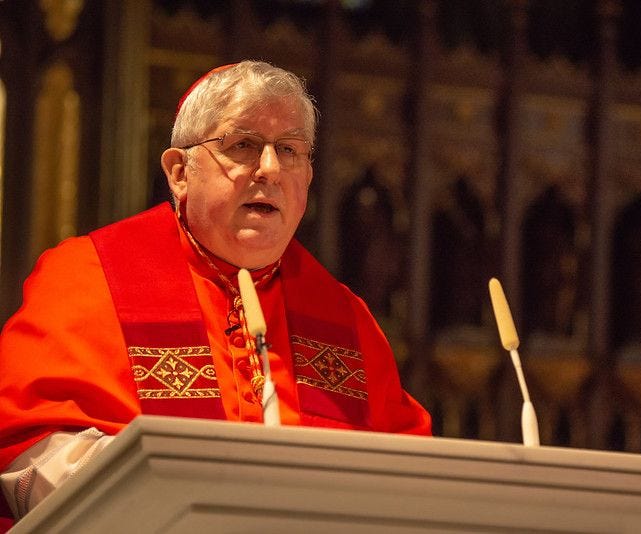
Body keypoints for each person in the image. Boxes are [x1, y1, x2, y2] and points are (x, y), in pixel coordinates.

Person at [0, 60, 431, 523]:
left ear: (307, 177)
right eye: (243, 145)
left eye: (289, 150)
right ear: (179, 172)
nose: (269, 169)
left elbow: (407, 478)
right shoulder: (88, 275)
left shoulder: (346, 318)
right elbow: (29, 447)